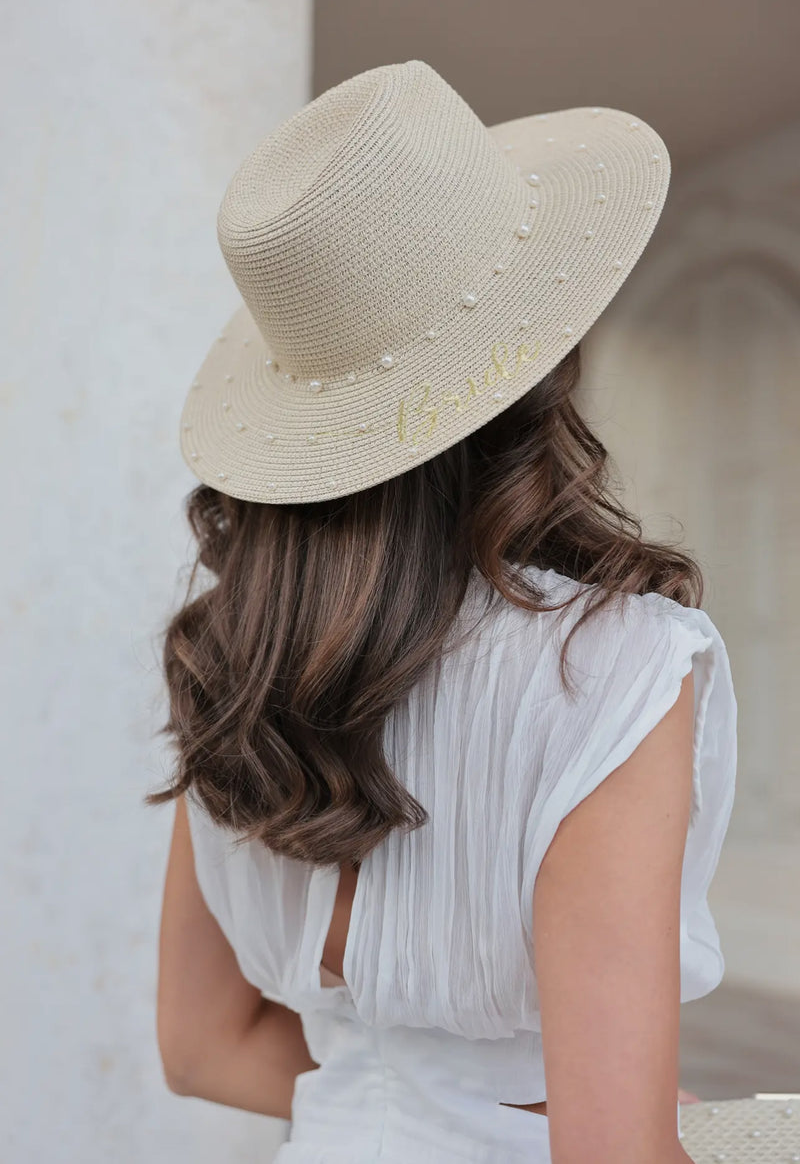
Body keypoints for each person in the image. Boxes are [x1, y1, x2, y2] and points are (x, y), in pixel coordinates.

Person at [147, 60, 736, 1163]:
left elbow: (201, 1044)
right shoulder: (609, 665)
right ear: (538, 369)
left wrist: (405, 1105)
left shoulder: (228, 665)